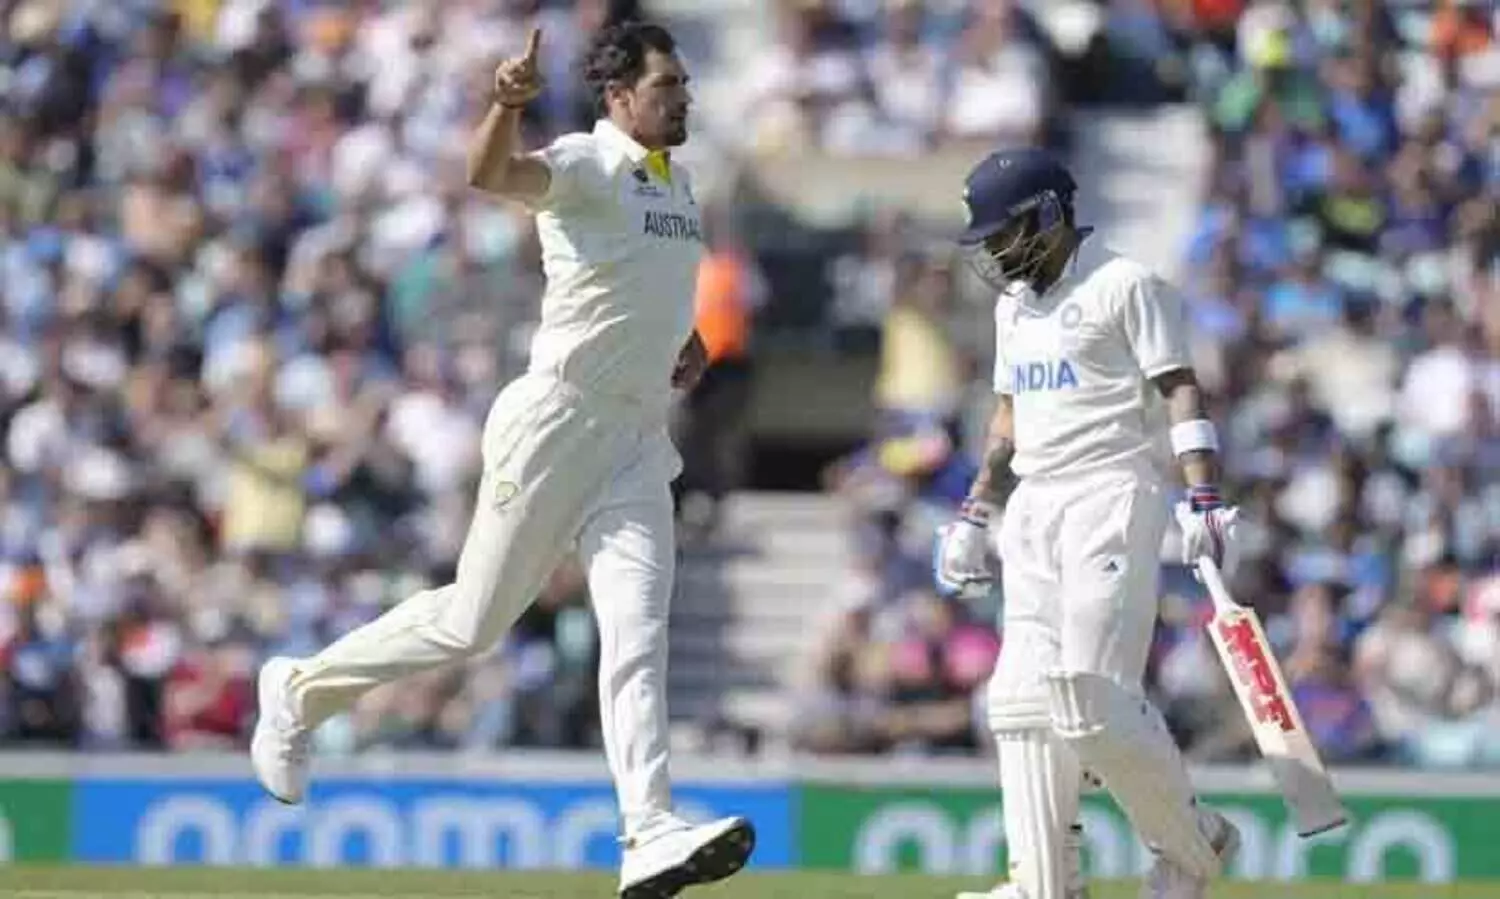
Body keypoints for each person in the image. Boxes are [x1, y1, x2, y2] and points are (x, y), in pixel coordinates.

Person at [249, 22, 756, 899]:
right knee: (472, 623)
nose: (684, 96)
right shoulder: (588, 163)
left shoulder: (680, 183)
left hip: (638, 439)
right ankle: (299, 689)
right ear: (619, 97)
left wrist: (683, 341)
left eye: (683, 81)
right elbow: (491, 174)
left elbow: (646, 286)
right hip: (558, 421)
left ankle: (648, 828)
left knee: (638, 633)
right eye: (666, 85)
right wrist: (504, 105)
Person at [932, 148, 1242, 899]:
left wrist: (1203, 496)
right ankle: (1046, 885)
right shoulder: (1013, 307)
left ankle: (1192, 847)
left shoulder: (1125, 284)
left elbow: (1180, 388)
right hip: (1034, 507)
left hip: (1110, 494)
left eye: (1004, 233)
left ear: (1047, 214)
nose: (996, 252)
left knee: (1089, 703)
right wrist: (976, 509)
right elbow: (1007, 417)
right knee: (1018, 701)